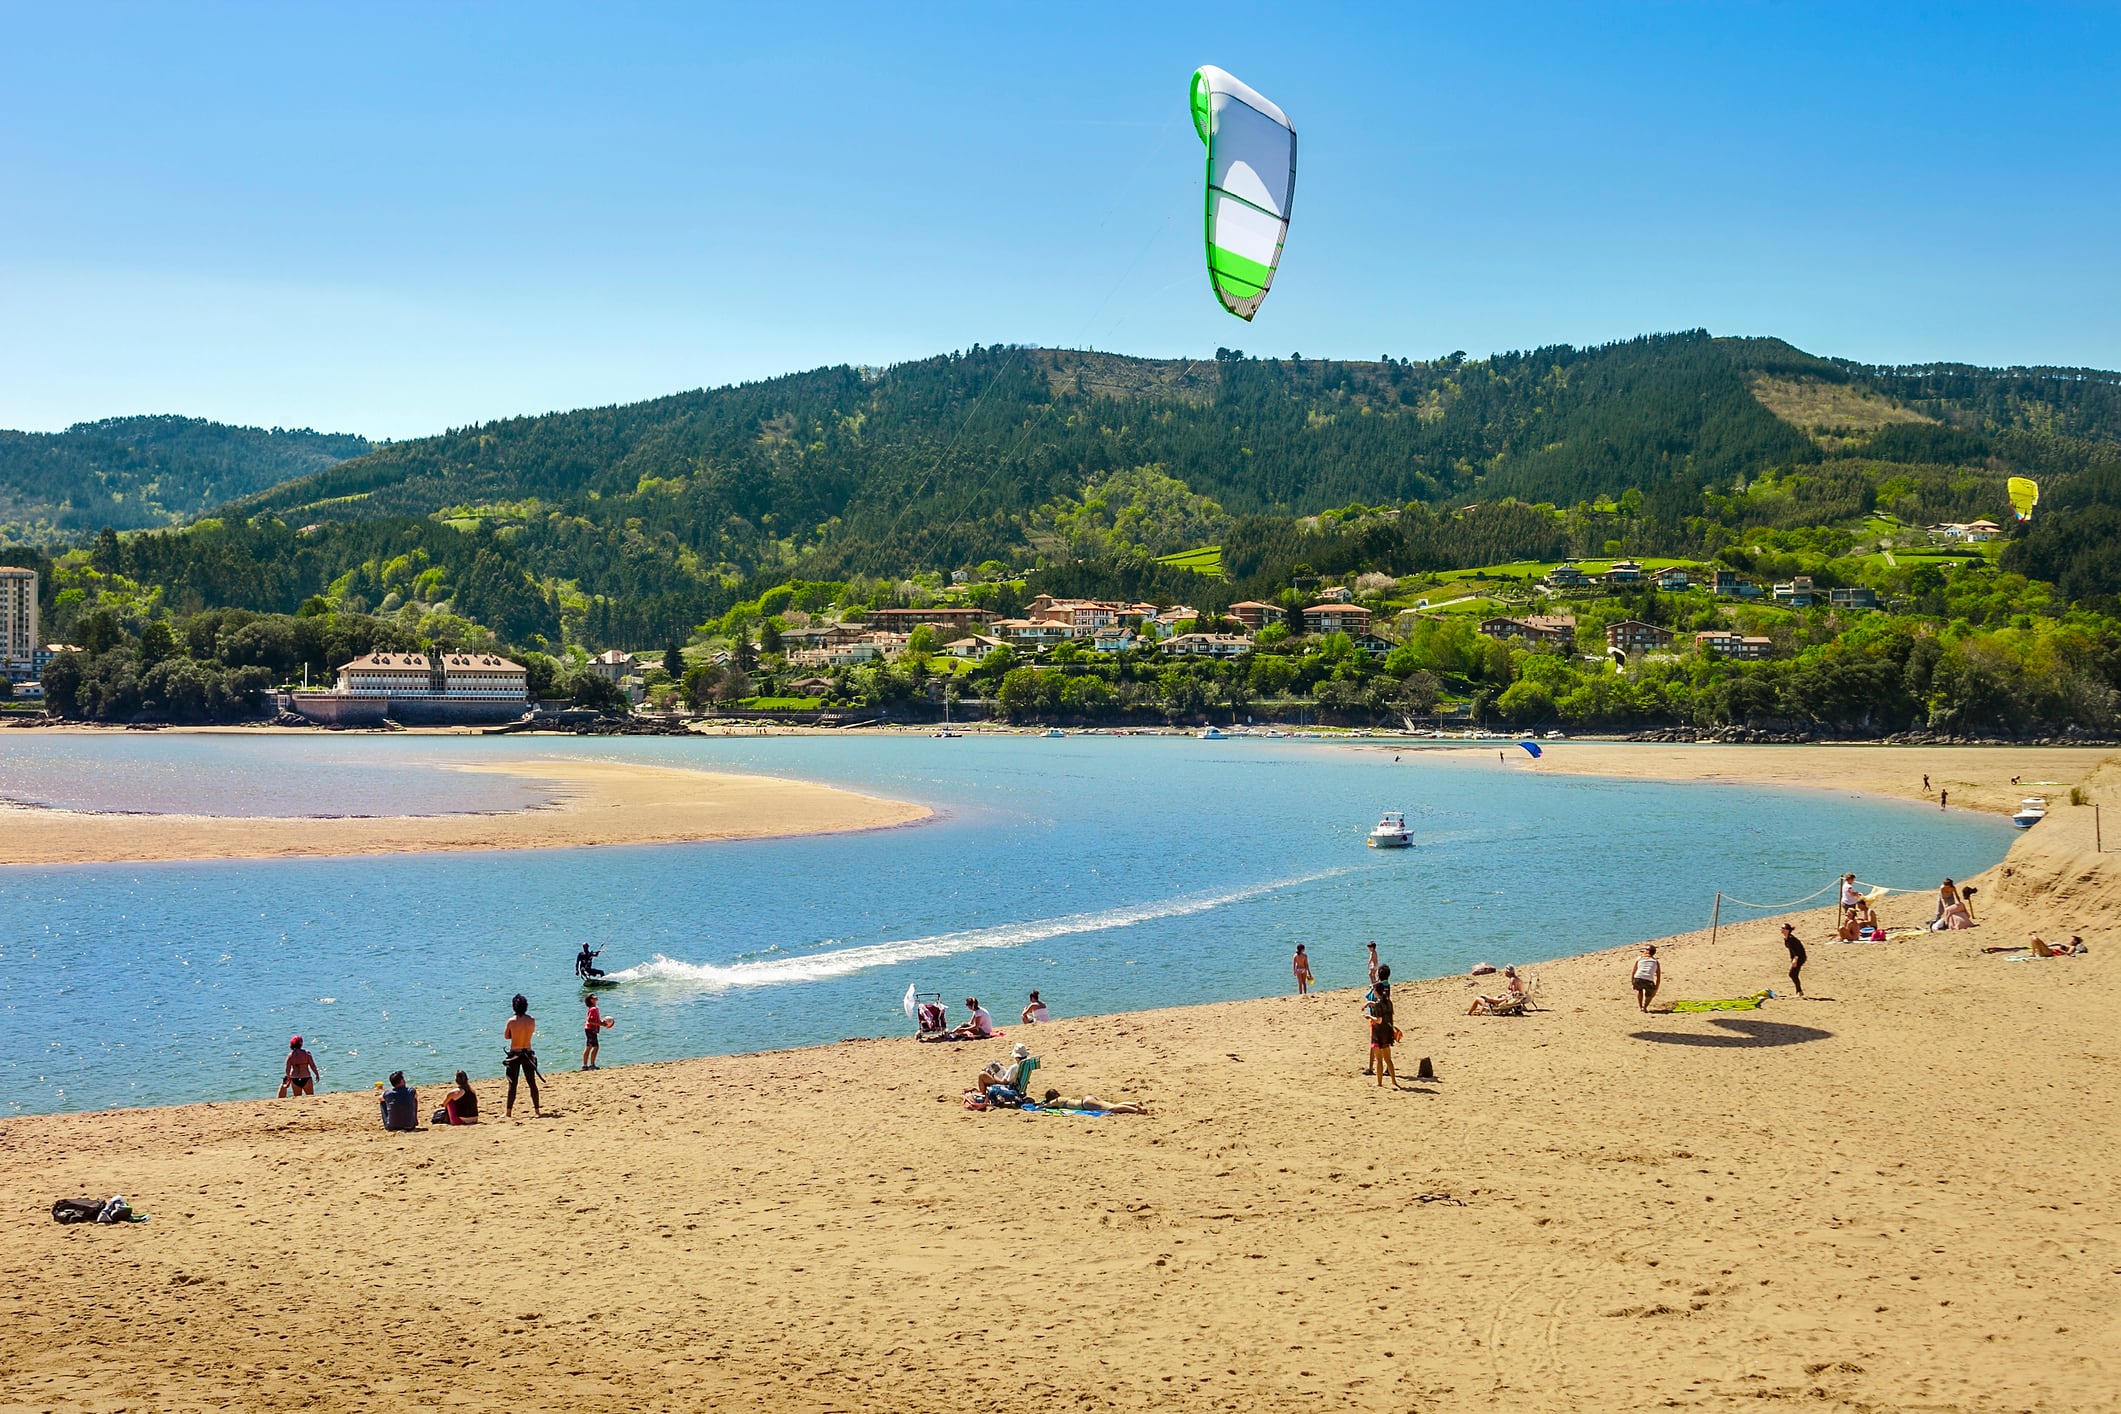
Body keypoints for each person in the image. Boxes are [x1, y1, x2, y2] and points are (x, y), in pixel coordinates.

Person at [504, 993, 541, 1118]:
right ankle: (537, 1111)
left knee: (512, 1084)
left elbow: (507, 1036)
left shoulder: (511, 1021)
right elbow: (531, 1032)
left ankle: (508, 1112)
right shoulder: (531, 1020)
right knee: (532, 1083)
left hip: (515, 1053)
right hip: (528, 1053)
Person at [1367, 982, 1398, 1087]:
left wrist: (1369, 1017)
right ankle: (1394, 1081)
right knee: (1388, 1059)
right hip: (1387, 1033)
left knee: (1379, 1059)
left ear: (1376, 991)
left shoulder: (1379, 1004)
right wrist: (1370, 1003)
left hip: (1379, 1034)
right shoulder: (1388, 1002)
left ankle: (1379, 1082)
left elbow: (1379, 1020)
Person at [582, 993, 613, 1070]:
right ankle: (591, 1065)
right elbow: (590, 1020)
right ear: (591, 1000)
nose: (596, 996)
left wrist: (601, 1022)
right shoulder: (593, 1009)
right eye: (593, 996)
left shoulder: (593, 1008)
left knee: (589, 1046)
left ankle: (585, 1065)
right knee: (595, 1047)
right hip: (590, 1029)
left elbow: (593, 1020)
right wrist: (601, 1024)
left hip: (589, 1029)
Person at [1630, 945, 1662, 1012]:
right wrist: (1656, 987)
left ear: (1648, 951)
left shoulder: (1639, 958)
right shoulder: (1655, 961)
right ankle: (1644, 1007)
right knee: (1650, 994)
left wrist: (1632, 981)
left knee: (1640, 991)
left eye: (1645, 949)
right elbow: (1658, 976)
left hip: (1637, 978)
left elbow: (1633, 971)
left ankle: (1641, 1007)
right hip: (1648, 980)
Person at [1781, 923, 1807, 997]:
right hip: (1796, 957)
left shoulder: (1791, 939)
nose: (1781, 929)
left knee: (1792, 974)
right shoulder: (1786, 938)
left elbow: (1797, 950)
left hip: (1800, 957)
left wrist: (1795, 960)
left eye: (1783, 928)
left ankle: (1799, 992)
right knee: (1794, 974)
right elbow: (1791, 950)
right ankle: (1799, 991)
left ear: (1787, 930)